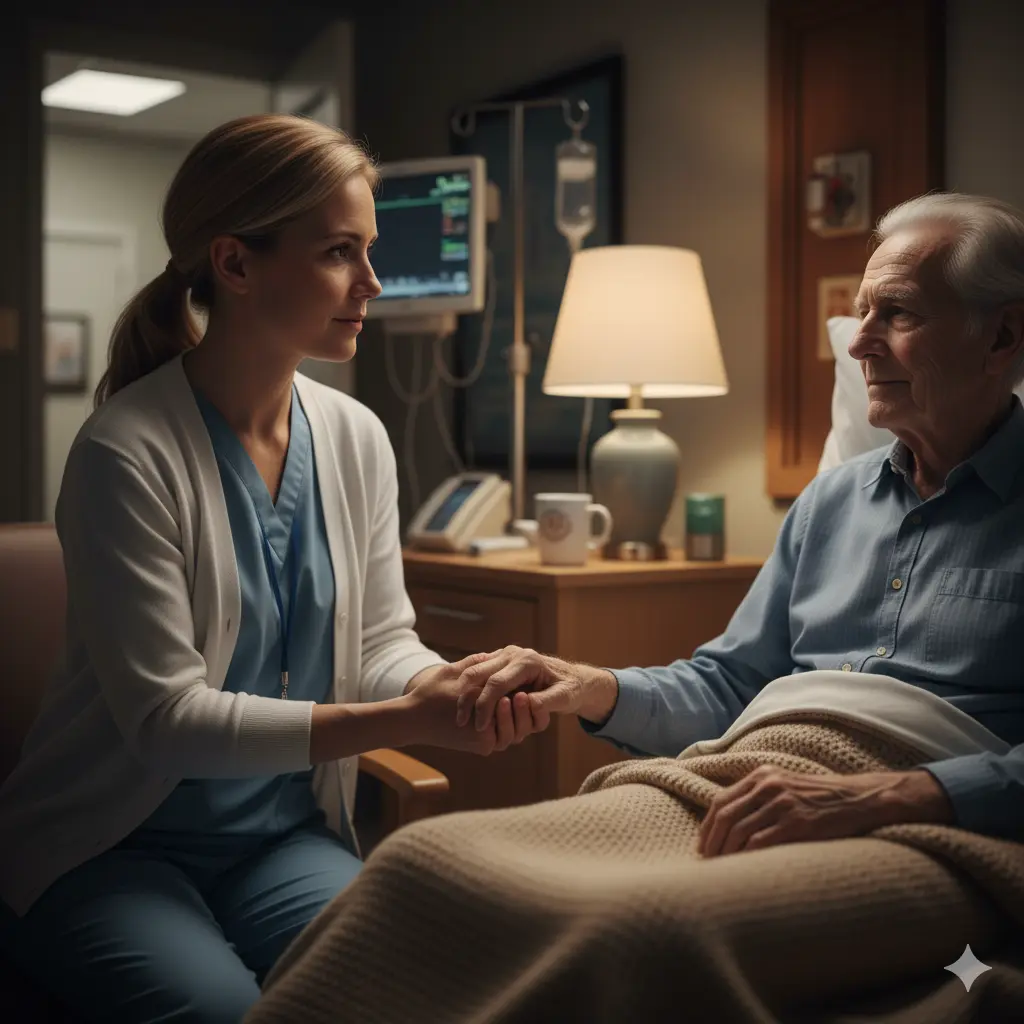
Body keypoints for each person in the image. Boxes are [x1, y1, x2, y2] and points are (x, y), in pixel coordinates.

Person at [0, 114, 510, 1023]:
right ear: (235, 265)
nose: (372, 282)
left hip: (281, 840)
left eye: (369, 249)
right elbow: (167, 724)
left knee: (411, 987)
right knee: (226, 1013)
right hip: (110, 850)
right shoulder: (126, 453)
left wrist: (449, 681)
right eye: (339, 252)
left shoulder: (355, 437)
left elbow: (382, 637)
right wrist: (404, 718)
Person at [457, 192, 1024, 851]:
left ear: (1002, 337)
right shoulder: (828, 505)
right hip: (754, 778)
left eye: (898, 314)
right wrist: (587, 686)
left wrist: (891, 795)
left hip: (912, 822)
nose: (861, 343)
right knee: (446, 859)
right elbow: (730, 684)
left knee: (615, 921)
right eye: (862, 313)